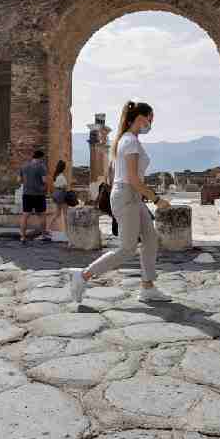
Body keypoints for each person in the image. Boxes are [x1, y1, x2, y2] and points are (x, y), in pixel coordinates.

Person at [68, 101, 172, 303]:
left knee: (150, 239)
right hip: (127, 195)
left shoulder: (127, 140)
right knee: (127, 248)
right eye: (150, 119)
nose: (151, 123)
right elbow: (132, 178)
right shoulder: (130, 142)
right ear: (141, 118)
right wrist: (157, 199)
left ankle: (147, 287)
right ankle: (82, 276)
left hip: (131, 195)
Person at [19, 149, 51, 243]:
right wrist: (46, 188)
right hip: (39, 194)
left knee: (25, 215)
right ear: (41, 157)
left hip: (26, 193)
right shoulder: (41, 166)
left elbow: (19, 180)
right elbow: (44, 180)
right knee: (41, 215)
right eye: (43, 158)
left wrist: (27, 183)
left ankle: (23, 237)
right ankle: (43, 235)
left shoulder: (24, 166)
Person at [47, 160, 70, 237]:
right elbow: (64, 187)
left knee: (57, 213)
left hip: (56, 194)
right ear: (63, 168)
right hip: (61, 195)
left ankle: (48, 227)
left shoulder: (56, 175)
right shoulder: (61, 177)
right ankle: (66, 231)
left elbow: (55, 185)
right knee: (65, 214)